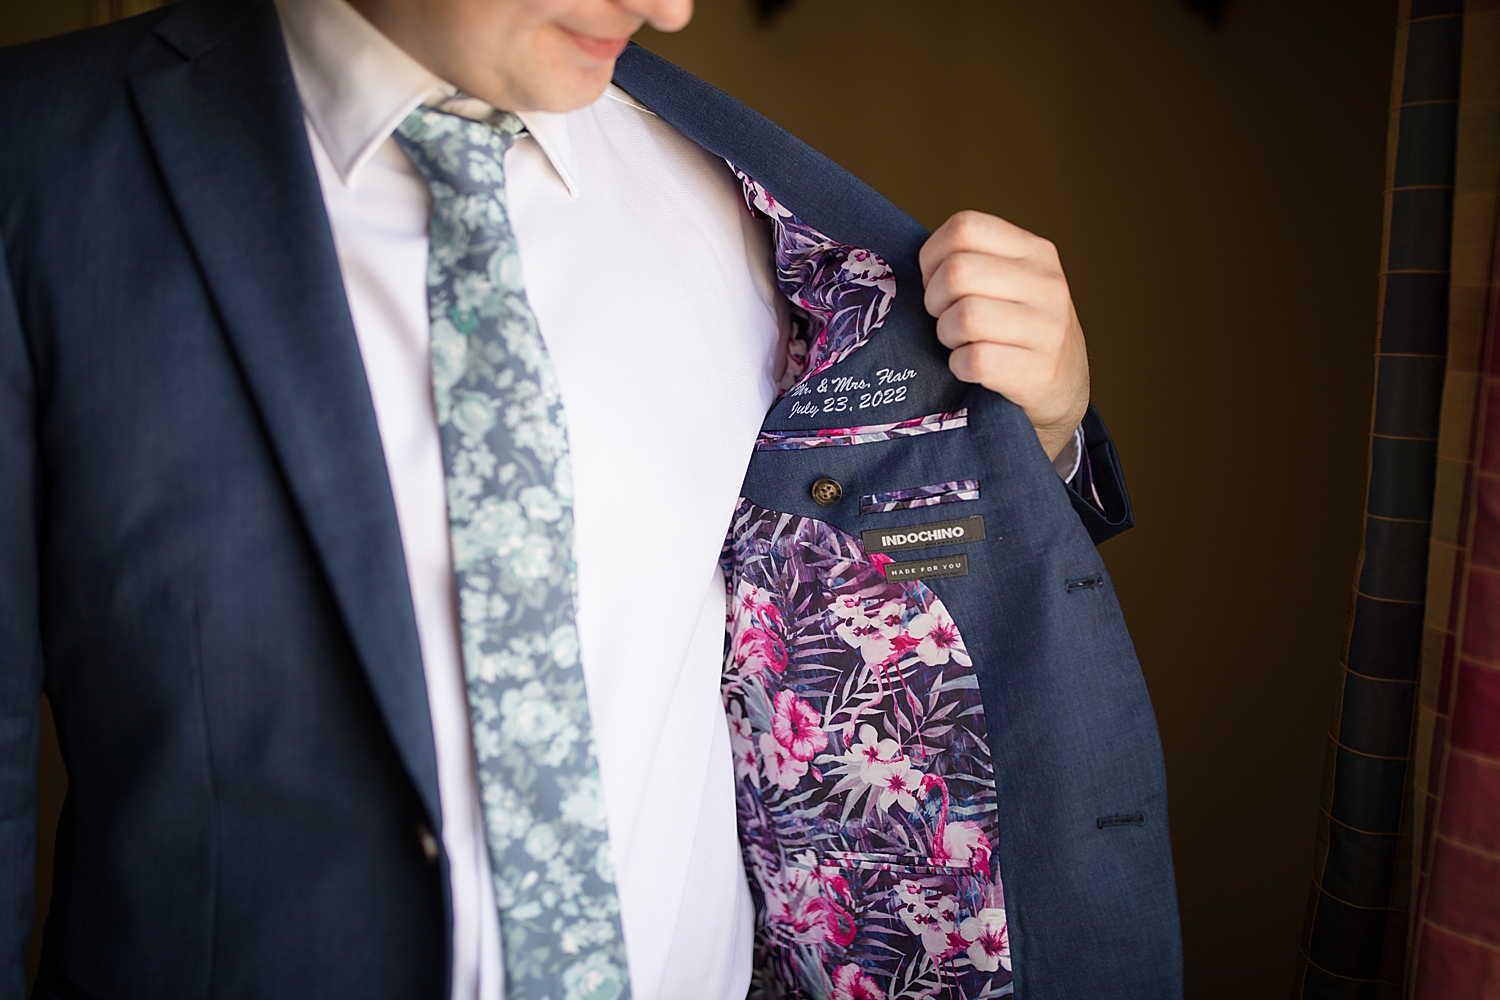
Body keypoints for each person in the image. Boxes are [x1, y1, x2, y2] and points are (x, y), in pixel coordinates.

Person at [0, 0, 1180, 996]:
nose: (669, 5)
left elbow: (881, 598)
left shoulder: (762, 220)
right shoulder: (38, 167)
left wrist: (1050, 432)